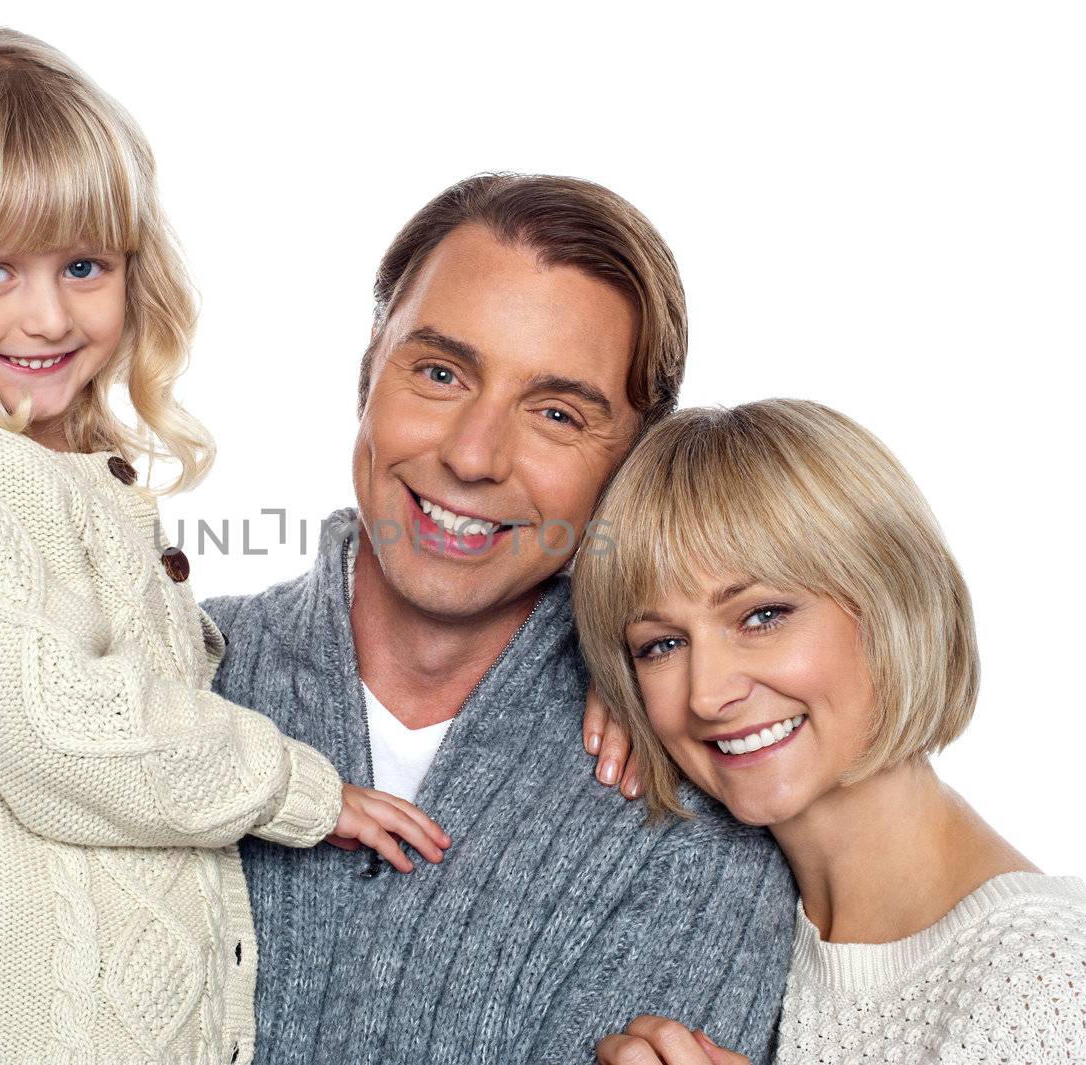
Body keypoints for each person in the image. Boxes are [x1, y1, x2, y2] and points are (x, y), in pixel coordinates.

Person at [0, 26, 449, 1065]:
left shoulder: (50, 465)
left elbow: (132, 670)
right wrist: (298, 789)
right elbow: (62, 731)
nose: (46, 315)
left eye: (83, 265)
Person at [209, 174, 797, 1064]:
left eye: (557, 413)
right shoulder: (154, 676)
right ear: (370, 366)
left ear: (633, 462)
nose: (473, 456)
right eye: (441, 373)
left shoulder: (692, 810)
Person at [573, 399, 1086, 1064]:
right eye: (662, 645)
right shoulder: (750, 907)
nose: (708, 693)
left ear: (892, 599)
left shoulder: (1049, 985)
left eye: (763, 614)